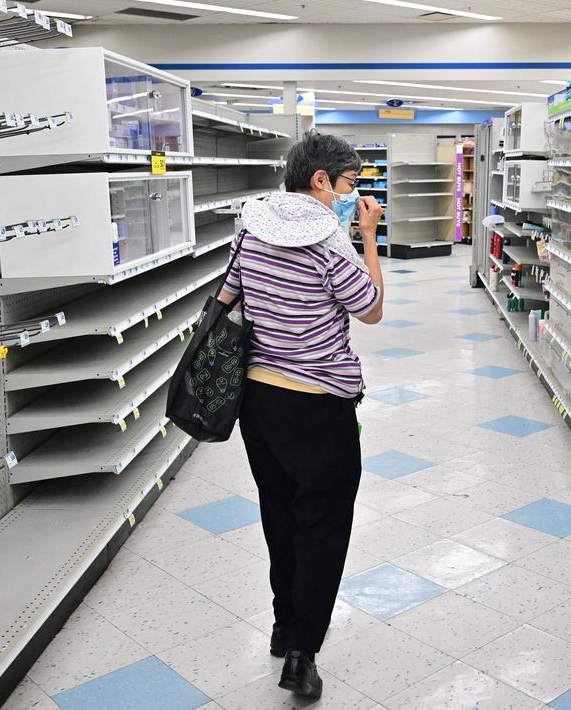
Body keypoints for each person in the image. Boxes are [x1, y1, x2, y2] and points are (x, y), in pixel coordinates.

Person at [218, 132, 384, 700]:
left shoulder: (250, 226)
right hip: (318, 405)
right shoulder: (330, 239)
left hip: (258, 403)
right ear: (320, 181)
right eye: (348, 185)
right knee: (323, 523)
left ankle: (282, 622)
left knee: (279, 514)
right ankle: (302, 652)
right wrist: (368, 237)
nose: (349, 195)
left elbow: (229, 298)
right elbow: (371, 309)